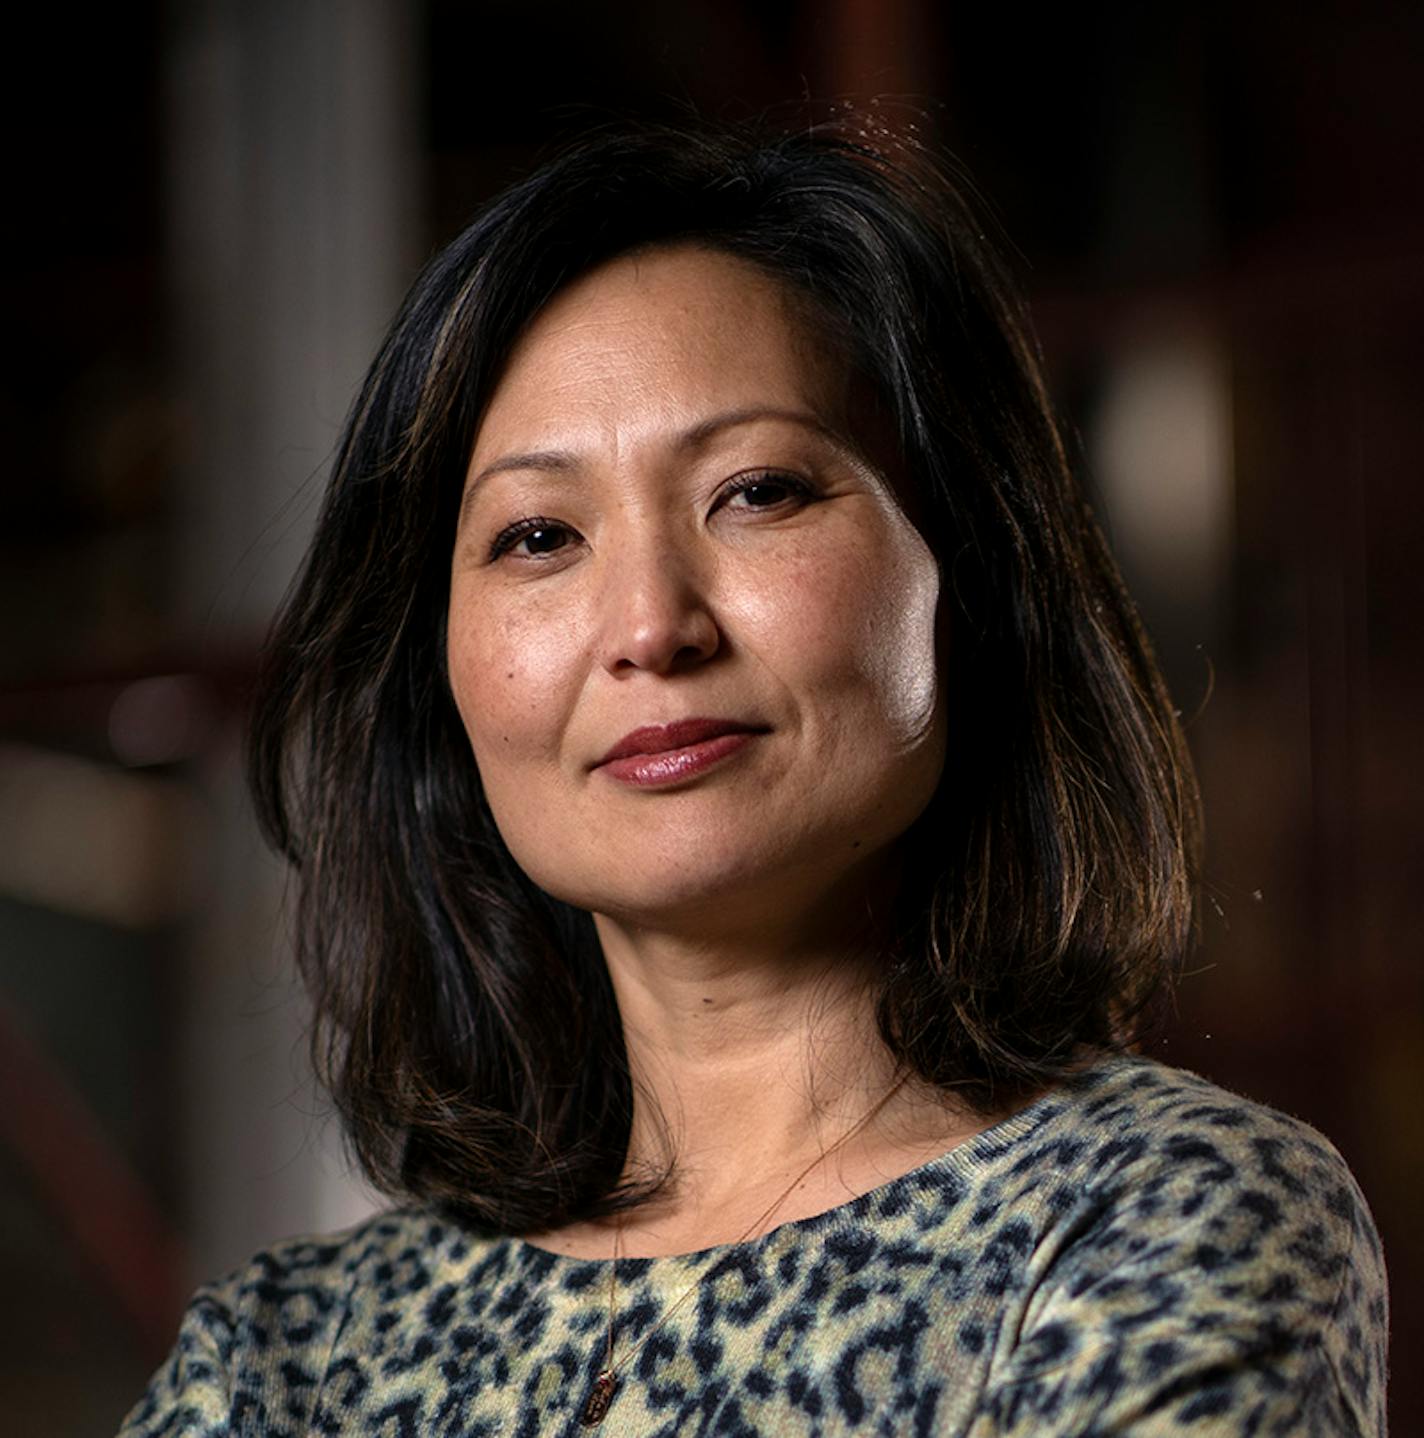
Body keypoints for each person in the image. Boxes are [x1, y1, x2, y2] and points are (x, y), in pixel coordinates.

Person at [119, 115, 1388, 1436]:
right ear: (438, 668)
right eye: (540, 533)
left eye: (759, 491)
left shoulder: (1157, 1219)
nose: (652, 624)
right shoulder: (287, 1357)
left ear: (968, 571)